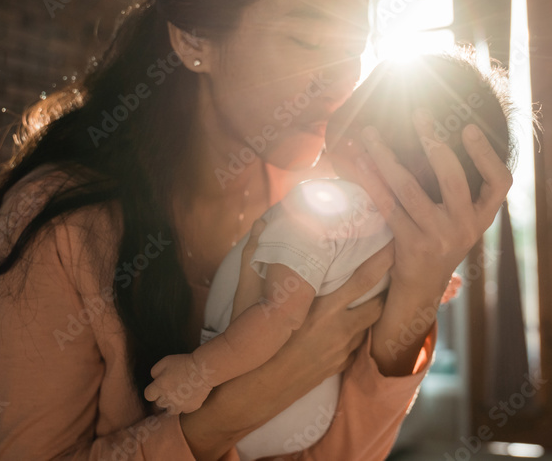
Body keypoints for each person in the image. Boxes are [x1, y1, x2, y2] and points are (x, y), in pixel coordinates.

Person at [0, 0, 514, 460]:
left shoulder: (314, 203)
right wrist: (242, 403)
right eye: (306, 43)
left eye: (353, 50)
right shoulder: (65, 224)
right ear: (192, 41)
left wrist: (415, 293)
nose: (341, 82)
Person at [142, 51, 514, 460]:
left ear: (361, 134)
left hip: (241, 395)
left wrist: (200, 372)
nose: (339, 87)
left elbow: (279, 314)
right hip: (307, 424)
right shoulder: (397, 237)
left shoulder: (324, 206)